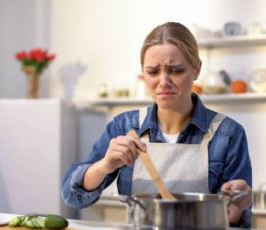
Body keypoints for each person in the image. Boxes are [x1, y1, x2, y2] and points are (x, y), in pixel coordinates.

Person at [61, 22, 252, 227]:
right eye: (153, 71)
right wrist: (104, 166)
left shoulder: (229, 133)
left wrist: (238, 206)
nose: (163, 81)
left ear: (196, 69)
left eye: (176, 70)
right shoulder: (123, 126)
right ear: (143, 74)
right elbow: (73, 197)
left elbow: (234, 221)